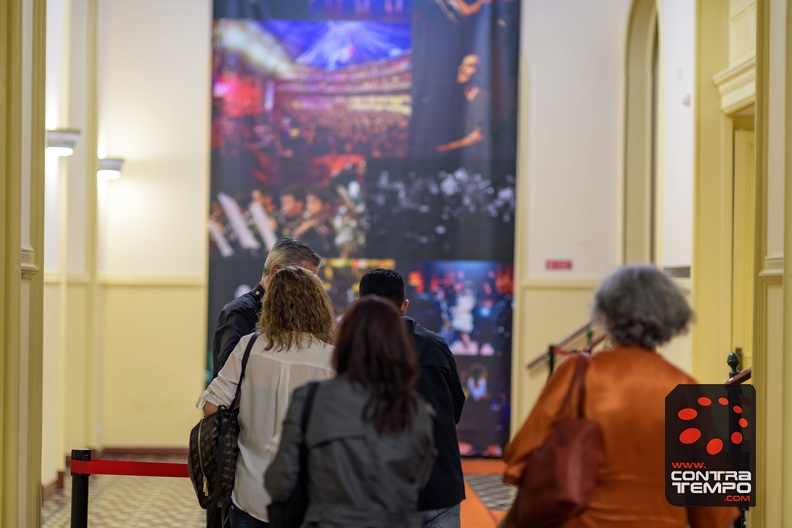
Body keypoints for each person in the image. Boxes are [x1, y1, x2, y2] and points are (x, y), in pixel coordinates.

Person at [502, 264, 739, 528]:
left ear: (606, 314)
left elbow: (520, 455)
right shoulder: (683, 389)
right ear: (670, 319)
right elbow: (713, 506)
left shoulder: (579, 374)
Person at [265, 296, 437, 528]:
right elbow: (419, 482)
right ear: (399, 345)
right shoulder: (418, 412)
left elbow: (280, 482)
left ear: (344, 342)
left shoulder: (311, 400)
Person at [198, 267, 337, 528]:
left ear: (271, 305)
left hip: (250, 492)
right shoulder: (332, 358)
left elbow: (211, 406)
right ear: (319, 306)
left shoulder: (249, 347)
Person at [358, 269, 466, 528]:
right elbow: (455, 409)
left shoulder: (354, 353)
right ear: (404, 305)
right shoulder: (437, 345)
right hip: (442, 486)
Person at [211, 237, 321, 379]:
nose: (311, 290)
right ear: (275, 271)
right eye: (305, 281)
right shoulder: (240, 312)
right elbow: (232, 376)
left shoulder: (295, 315)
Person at [435, 54, 489, 154]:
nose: (462, 69)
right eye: (462, 65)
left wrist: (447, 148)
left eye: (469, 66)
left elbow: (478, 135)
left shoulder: (484, 97)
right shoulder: (453, 95)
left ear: (480, 71)